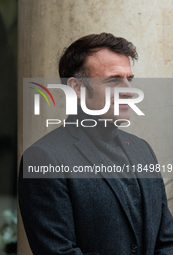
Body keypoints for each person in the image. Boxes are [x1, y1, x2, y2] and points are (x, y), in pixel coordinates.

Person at [18, 33, 173, 255]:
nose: (129, 90)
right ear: (77, 88)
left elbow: (167, 241)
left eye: (130, 79)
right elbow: (59, 252)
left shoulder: (142, 150)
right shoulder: (44, 157)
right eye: (113, 80)